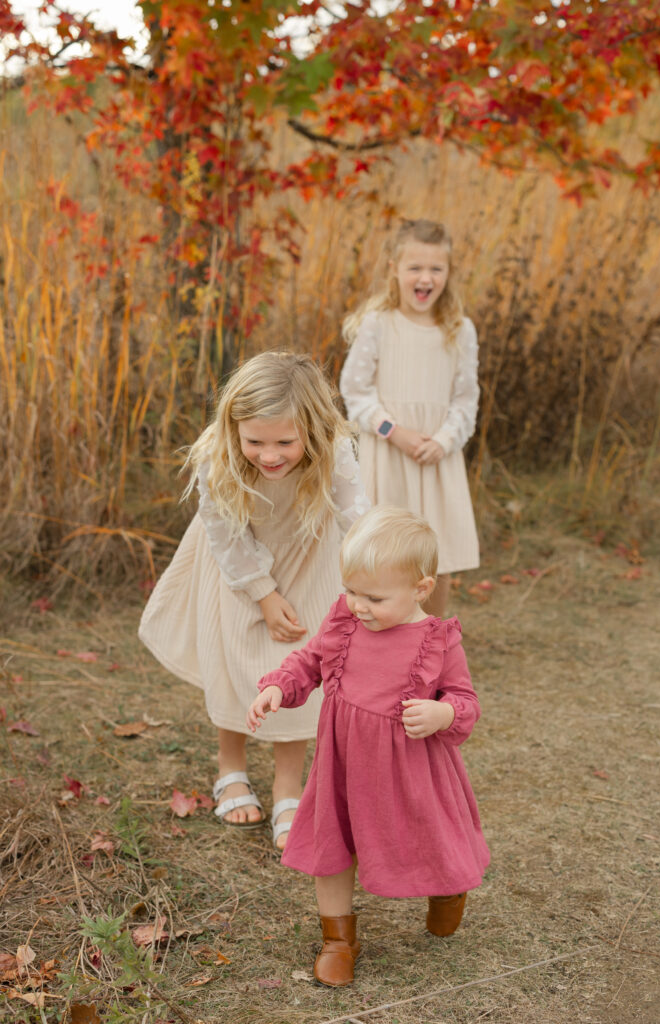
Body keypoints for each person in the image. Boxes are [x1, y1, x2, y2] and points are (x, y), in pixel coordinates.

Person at [247, 505, 489, 986]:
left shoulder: (437, 641)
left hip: (411, 770)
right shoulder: (345, 624)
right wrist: (279, 686)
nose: (359, 605)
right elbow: (308, 662)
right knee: (332, 844)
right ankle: (338, 940)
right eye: (351, 590)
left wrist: (442, 713)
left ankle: (447, 888)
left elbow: (465, 700)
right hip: (343, 765)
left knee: (427, 836)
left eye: (374, 597)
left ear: (421, 588)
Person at [139, 352, 370, 851]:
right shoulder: (218, 454)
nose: (269, 456)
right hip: (237, 564)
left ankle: (288, 786)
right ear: (234, 428)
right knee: (235, 660)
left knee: (299, 666)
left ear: (312, 428)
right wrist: (262, 593)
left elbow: (356, 516)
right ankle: (232, 766)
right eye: (255, 441)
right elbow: (223, 531)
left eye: (285, 442)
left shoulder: (335, 450)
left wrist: (373, 574)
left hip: (308, 559)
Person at [340, 218, 480, 619]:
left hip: (437, 460)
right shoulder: (378, 324)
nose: (425, 278)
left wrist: (444, 441)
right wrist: (394, 432)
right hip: (389, 455)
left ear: (448, 273)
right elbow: (355, 391)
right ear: (395, 269)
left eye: (436, 269)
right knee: (381, 554)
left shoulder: (460, 330)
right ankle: (378, 637)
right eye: (415, 267)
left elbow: (466, 399)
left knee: (437, 557)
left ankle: (430, 639)